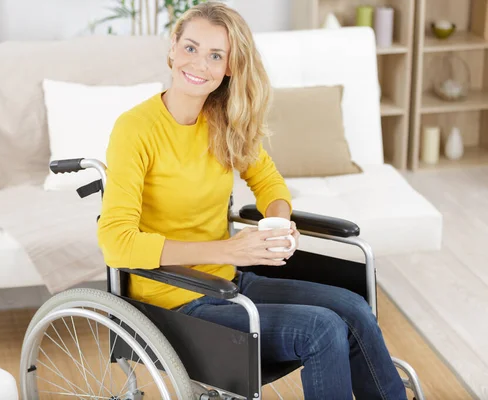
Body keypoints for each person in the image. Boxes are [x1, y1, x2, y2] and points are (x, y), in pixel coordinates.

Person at [97, 2, 407, 398]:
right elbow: (115, 242)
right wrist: (228, 249)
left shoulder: (223, 120)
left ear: (229, 67)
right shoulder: (135, 130)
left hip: (229, 282)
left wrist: (279, 220)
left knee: (352, 306)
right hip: (173, 302)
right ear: (173, 47)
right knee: (323, 328)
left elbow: (267, 180)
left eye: (215, 55)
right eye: (190, 47)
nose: (198, 63)